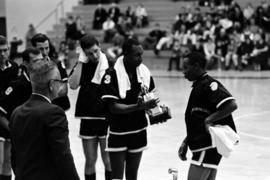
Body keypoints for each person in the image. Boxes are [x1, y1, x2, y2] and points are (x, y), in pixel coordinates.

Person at [9, 60, 79, 180]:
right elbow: (63, 156)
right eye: (60, 81)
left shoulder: (17, 112)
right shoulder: (54, 113)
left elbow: (14, 156)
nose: (61, 85)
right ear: (52, 85)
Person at [100, 38, 159, 180]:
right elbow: (113, 107)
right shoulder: (111, 74)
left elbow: (148, 99)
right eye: (136, 55)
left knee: (132, 176)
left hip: (139, 130)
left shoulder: (144, 72)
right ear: (125, 54)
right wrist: (138, 107)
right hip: (118, 131)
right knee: (117, 177)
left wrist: (157, 113)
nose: (140, 58)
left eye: (141, 54)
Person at [178, 52, 238, 180]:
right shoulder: (198, 86)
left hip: (207, 145)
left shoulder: (209, 84)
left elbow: (231, 105)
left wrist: (209, 120)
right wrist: (186, 141)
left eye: (185, 67)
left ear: (196, 66)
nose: (183, 71)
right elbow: (197, 121)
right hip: (206, 145)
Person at [69, 34, 111, 180]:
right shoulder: (82, 64)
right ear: (83, 53)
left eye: (95, 51)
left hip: (106, 117)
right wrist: (80, 62)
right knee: (90, 160)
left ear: (99, 46)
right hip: (87, 118)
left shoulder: (110, 63)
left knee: (108, 161)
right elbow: (73, 85)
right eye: (89, 53)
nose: (94, 55)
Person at [31, 33, 70, 111]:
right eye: (41, 49)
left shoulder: (57, 63)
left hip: (56, 108)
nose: (45, 52)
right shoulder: (29, 67)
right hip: (36, 109)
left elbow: (63, 89)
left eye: (47, 48)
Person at [0, 35, 19, 180]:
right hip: (1, 119)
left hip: (10, 119)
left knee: (8, 161)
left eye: (5, 50)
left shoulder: (14, 67)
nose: (2, 54)